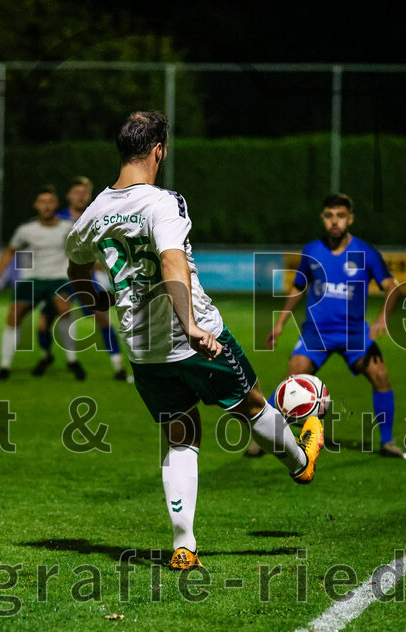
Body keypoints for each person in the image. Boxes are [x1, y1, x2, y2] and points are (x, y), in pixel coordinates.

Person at [66, 111, 323, 570]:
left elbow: (76, 268)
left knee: (180, 437)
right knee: (252, 405)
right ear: (158, 150)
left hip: (143, 350)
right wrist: (189, 325)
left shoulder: (93, 213)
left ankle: (184, 546)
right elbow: (172, 261)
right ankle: (300, 463)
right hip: (195, 335)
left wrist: (99, 301)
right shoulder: (164, 202)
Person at [255, 194, 406, 459]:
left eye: (340, 216)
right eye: (329, 216)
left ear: (350, 219)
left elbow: (392, 287)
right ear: (322, 218)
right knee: (289, 383)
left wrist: (382, 318)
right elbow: (299, 287)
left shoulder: (365, 252)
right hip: (317, 333)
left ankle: (387, 441)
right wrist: (280, 323)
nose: (334, 222)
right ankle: (263, 439)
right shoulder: (312, 250)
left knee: (380, 376)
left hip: (354, 333)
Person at [37, 176, 130, 381]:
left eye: (85, 193)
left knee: (102, 317)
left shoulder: (97, 217)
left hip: (86, 278)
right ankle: (46, 356)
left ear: (90, 196)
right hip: (59, 277)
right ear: (69, 195)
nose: (80, 196)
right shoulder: (57, 219)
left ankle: (118, 367)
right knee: (44, 322)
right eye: (77, 192)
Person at [0, 185, 84, 381]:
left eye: (50, 202)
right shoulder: (26, 230)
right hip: (32, 280)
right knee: (14, 314)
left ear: (56, 204)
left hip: (58, 279)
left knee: (63, 307)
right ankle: (4, 366)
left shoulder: (68, 227)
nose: (47, 206)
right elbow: (10, 250)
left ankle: (72, 360)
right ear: (36, 205)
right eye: (43, 202)